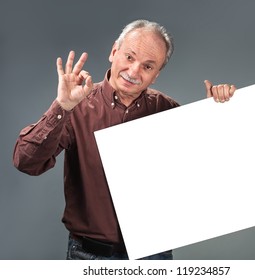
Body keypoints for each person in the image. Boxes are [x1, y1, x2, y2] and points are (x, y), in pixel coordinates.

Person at [13, 19, 236, 260]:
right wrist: (62, 106)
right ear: (113, 52)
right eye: (130, 57)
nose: (133, 72)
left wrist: (220, 115)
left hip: (154, 256)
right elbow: (26, 162)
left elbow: (209, 175)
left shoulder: (168, 110)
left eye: (147, 66)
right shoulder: (77, 105)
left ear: (156, 75)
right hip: (88, 256)